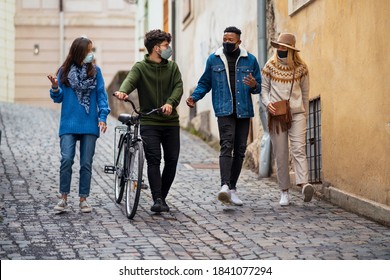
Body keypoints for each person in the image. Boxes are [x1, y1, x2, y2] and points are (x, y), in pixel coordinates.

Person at [186, 26, 261, 206]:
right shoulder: (214, 59)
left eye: (231, 40)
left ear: (239, 42)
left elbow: (259, 87)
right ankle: (224, 186)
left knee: (240, 149)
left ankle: (233, 188)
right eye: (225, 39)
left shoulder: (250, 60)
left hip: (243, 111)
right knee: (226, 145)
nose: (227, 43)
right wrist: (194, 97)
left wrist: (253, 84)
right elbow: (205, 82)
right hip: (224, 110)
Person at [114, 29, 183, 213]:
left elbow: (178, 87)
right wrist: (123, 91)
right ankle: (158, 199)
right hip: (150, 121)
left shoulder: (172, 68)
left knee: (172, 161)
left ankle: (161, 196)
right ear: (155, 48)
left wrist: (170, 103)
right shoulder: (140, 67)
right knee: (154, 160)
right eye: (166, 46)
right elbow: (130, 80)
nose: (169, 49)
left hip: (170, 122)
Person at [48, 36, 110, 213]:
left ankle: (83, 199)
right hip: (68, 124)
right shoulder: (64, 72)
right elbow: (58, 98)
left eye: (92, 50)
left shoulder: (96, 72)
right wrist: (54, 87)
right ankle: (63, 198)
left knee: (86, 163)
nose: (91, 54)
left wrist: (103, 117)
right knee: (66, 160)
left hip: (89, 125)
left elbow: (101, 97)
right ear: (79, 52)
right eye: (88, 50)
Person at [261, 32, 314, 206]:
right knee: (281, 153)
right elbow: (264, 89)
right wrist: (268, 103)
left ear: (291, 50)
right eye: (278, 46)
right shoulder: (270, 66)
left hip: (297, 114)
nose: (279, 49)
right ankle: (284, 191)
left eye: (283, 47)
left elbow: (305, 94)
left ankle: (304, 184)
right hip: (277, 115)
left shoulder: (301, 68)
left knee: (299, 149)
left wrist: (304, 113)